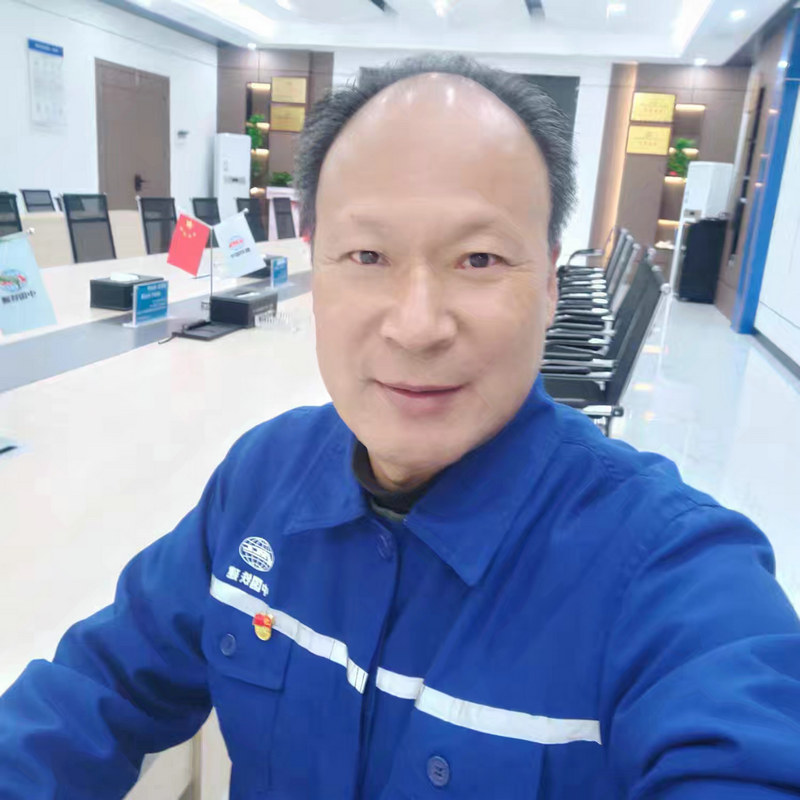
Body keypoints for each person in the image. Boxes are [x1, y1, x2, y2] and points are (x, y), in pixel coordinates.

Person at [2, 53, 800, 800]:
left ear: (551, 287)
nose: (417, 327)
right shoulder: (263, 480)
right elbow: (91, 692)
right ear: (315, 270)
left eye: (479, 259)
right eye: (367, 256)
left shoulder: (666, 568)